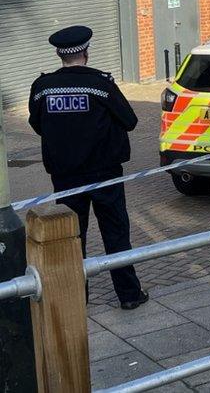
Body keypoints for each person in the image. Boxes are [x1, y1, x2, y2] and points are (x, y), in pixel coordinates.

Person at [28, 26, 148, 310]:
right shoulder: (100, 84)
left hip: (65, 175)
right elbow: (129, 121)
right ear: (85, 52)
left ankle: (75, 300)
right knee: (116, 233)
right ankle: (129, 295)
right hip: (103, 173)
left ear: (59, 54)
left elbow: (36, 124)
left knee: (71, 236)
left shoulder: (42, 87)